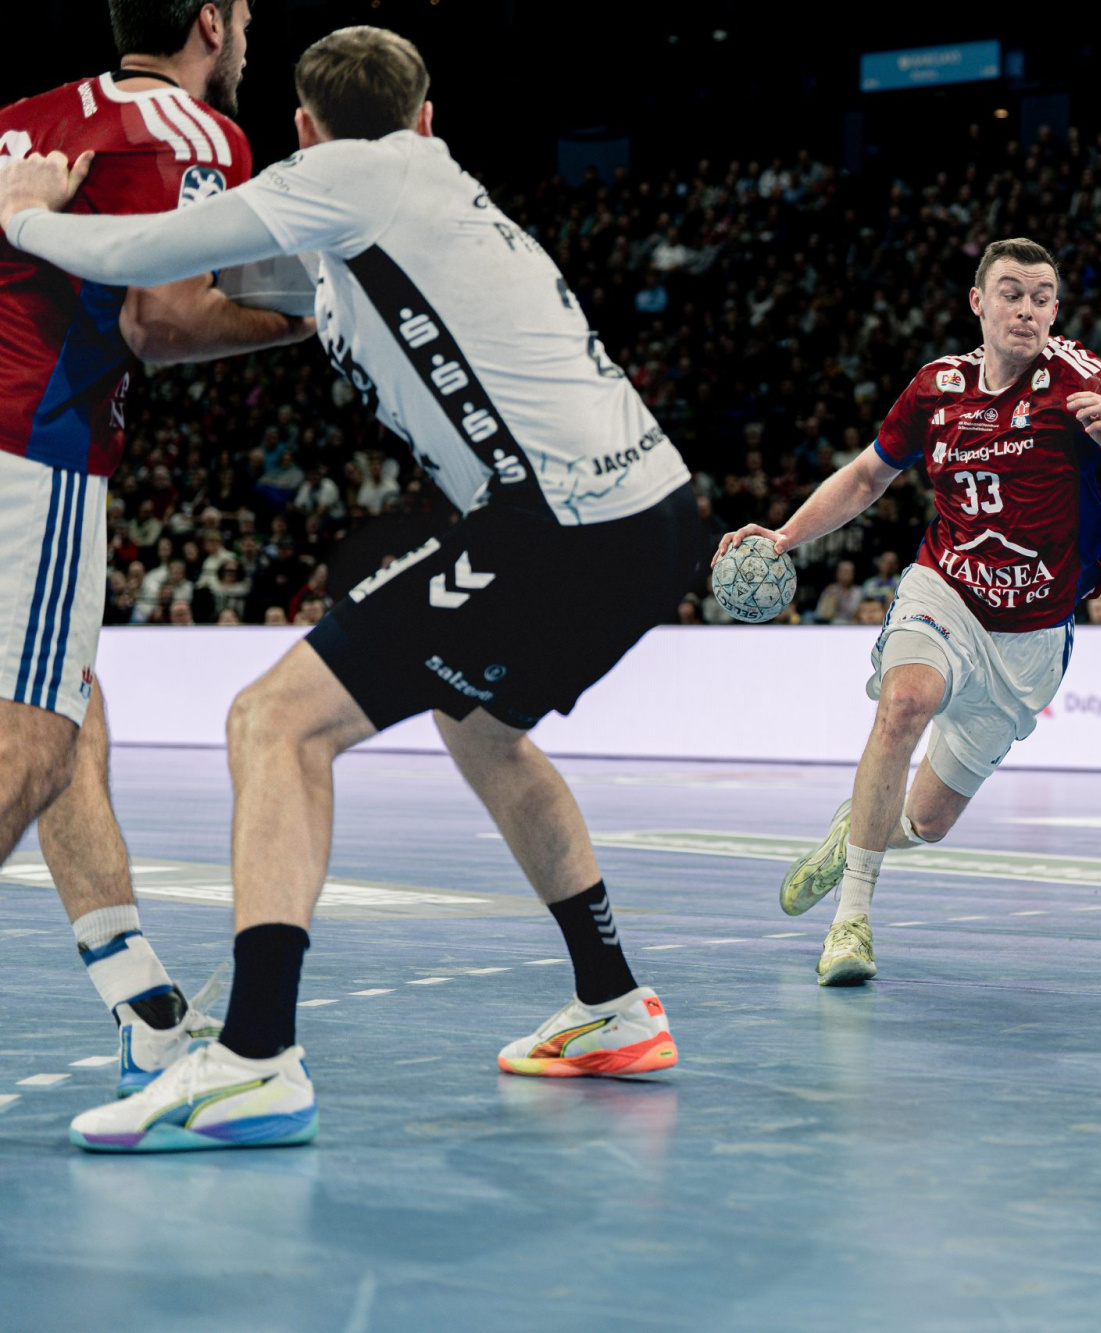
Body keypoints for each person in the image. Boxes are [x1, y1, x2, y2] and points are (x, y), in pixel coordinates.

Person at [1, 24, 704, 1152]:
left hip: (555, 523)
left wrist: (26, 217)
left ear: (301, 131)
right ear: (428, 116)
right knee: (481, 726)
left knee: (274, 722)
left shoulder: (346, 174)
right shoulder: (428, 198)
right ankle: (614, 1002)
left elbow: (147, 258)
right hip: (651, 513)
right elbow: (247, 299)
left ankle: (255, 1062)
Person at [714, 237, 1101, 986]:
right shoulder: (937, 387)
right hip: (947, 591)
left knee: (927, 821)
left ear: (1056, 311)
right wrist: (784, 535)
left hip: (1031, 635)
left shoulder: (1088, 381)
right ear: (978, 302)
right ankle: (851, 922)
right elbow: (866, 476)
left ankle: (856, 828)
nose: (1026, 309)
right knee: (906, 701)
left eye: (1042, 297)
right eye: (1011, 293)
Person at [0, 0, 314, 1099]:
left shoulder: (24, 117)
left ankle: (144, 1009)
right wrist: (298, 321)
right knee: (36, 743)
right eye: (244, 14)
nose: (249, 35)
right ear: (209, 24)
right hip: (32, 448)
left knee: (71, 711)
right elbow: (162, 320)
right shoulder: (192, 131)